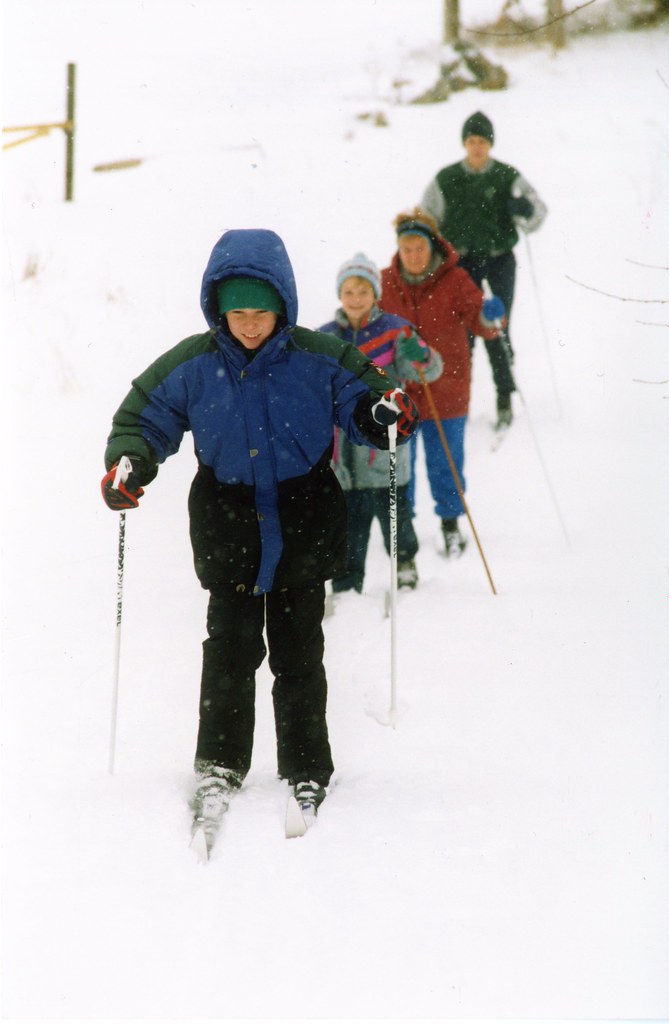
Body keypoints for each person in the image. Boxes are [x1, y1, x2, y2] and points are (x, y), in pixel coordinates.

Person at [100, 228, 418, 832]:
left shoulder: (319, 357)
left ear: (284, 308)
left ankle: (306, 766)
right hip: (227, 522)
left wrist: (383, 416)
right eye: (238, 313)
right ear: (219, 310)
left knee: (300, 653)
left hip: (303, 518)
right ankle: (220, 762)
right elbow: (145, 414)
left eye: (261, 313)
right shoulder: (194, 364)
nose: (249, 325)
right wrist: (132, 461)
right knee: (229, 650)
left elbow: (368, 400)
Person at [380, 208, 504, 557]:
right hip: (400, 393)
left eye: (419, 248)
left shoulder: (455, 280)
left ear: (432, 246)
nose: (414, 256)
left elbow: (480, 322)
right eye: (407, 249)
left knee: (445, 461)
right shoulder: (385, 282)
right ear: (399, 249)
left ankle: (450, 525)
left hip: (447, 388)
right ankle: (401, 530)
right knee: (401, 466)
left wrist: (489, 316)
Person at [318, 252, 443, 595]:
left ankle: (404, 563)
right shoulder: (325, 336)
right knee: (348, 525)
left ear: (375, 293)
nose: (356, 299)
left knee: (396, 517)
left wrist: (422, 355)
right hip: (342, 453)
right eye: (349, 292)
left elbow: (431, 370)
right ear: (340, 295)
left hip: (386, 447)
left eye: (363, 291)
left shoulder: (395, 331)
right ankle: (346, 581)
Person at [421, 110, 547, 428]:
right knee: (463, 333)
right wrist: (431, 255)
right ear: (465, 143)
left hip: (499, 259)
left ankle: (505, 396)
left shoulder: (507, 176)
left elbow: (538, 212)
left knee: (497, 324)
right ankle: (458, 401)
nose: (477, 147)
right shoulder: (447, 178)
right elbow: (425, 220)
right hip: (461, 264)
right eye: (472, 140)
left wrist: (524, 209)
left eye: (482, 141)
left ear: (490, 144)